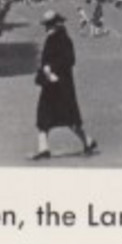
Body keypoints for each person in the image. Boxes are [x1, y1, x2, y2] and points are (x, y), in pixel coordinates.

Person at [29, 10, 96, 160]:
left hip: (60, 85)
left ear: (56, 24)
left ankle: (88, 141)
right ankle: (44, 148)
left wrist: (51, 69)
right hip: (52, 85)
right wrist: (46, 70)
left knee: (68, 117)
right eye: (47, 25)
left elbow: (69, 60)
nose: (47, 28)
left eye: (49, 25)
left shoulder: (63, 40)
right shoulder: (54, 38)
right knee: (45, 116)